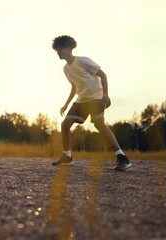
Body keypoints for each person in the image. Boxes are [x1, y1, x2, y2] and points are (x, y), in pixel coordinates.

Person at [51, 35, 132, 171]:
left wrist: (105, 95)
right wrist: (66, 104)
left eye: (59, 49)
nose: (57, 52)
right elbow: (74, 87)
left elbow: (103, 75)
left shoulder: (83, 61)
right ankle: (67, 156)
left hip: (96, 97)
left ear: (68, 48)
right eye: (56, 50)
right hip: (81, 100)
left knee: (99, 124)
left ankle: (122, 158)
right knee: (65, 124)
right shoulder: (65, 69)